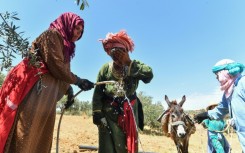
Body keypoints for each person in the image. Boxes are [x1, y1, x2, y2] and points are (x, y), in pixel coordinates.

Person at [0, 12, 94, 153]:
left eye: (81, 32)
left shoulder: (67, 47)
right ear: (67, 24)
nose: (78, 34)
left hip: (45, 96)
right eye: (76, 28)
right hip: (32, 87)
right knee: (26, 130)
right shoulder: (51, 35)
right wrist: (78, 81)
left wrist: (69, 90)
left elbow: (62, 72)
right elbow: (56, 65)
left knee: (39, 135)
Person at [92, 30, 153, 153]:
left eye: (121, 54)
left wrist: (128, 62)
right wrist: (97, 112)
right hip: (108, 114)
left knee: (126, 147)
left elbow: (149, 75)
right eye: (114, 55)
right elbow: (98, 92)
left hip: (129, 114)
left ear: (126, 52)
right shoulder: (105, 69)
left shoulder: (134, 65)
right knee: (107, 147)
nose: (118, 59)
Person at [194, 59, 245, 151]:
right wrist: (205, 115)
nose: (217, 79)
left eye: (217, 75)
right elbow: (219, 111)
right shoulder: (228, 94)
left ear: (224, 72)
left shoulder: (243, 83)